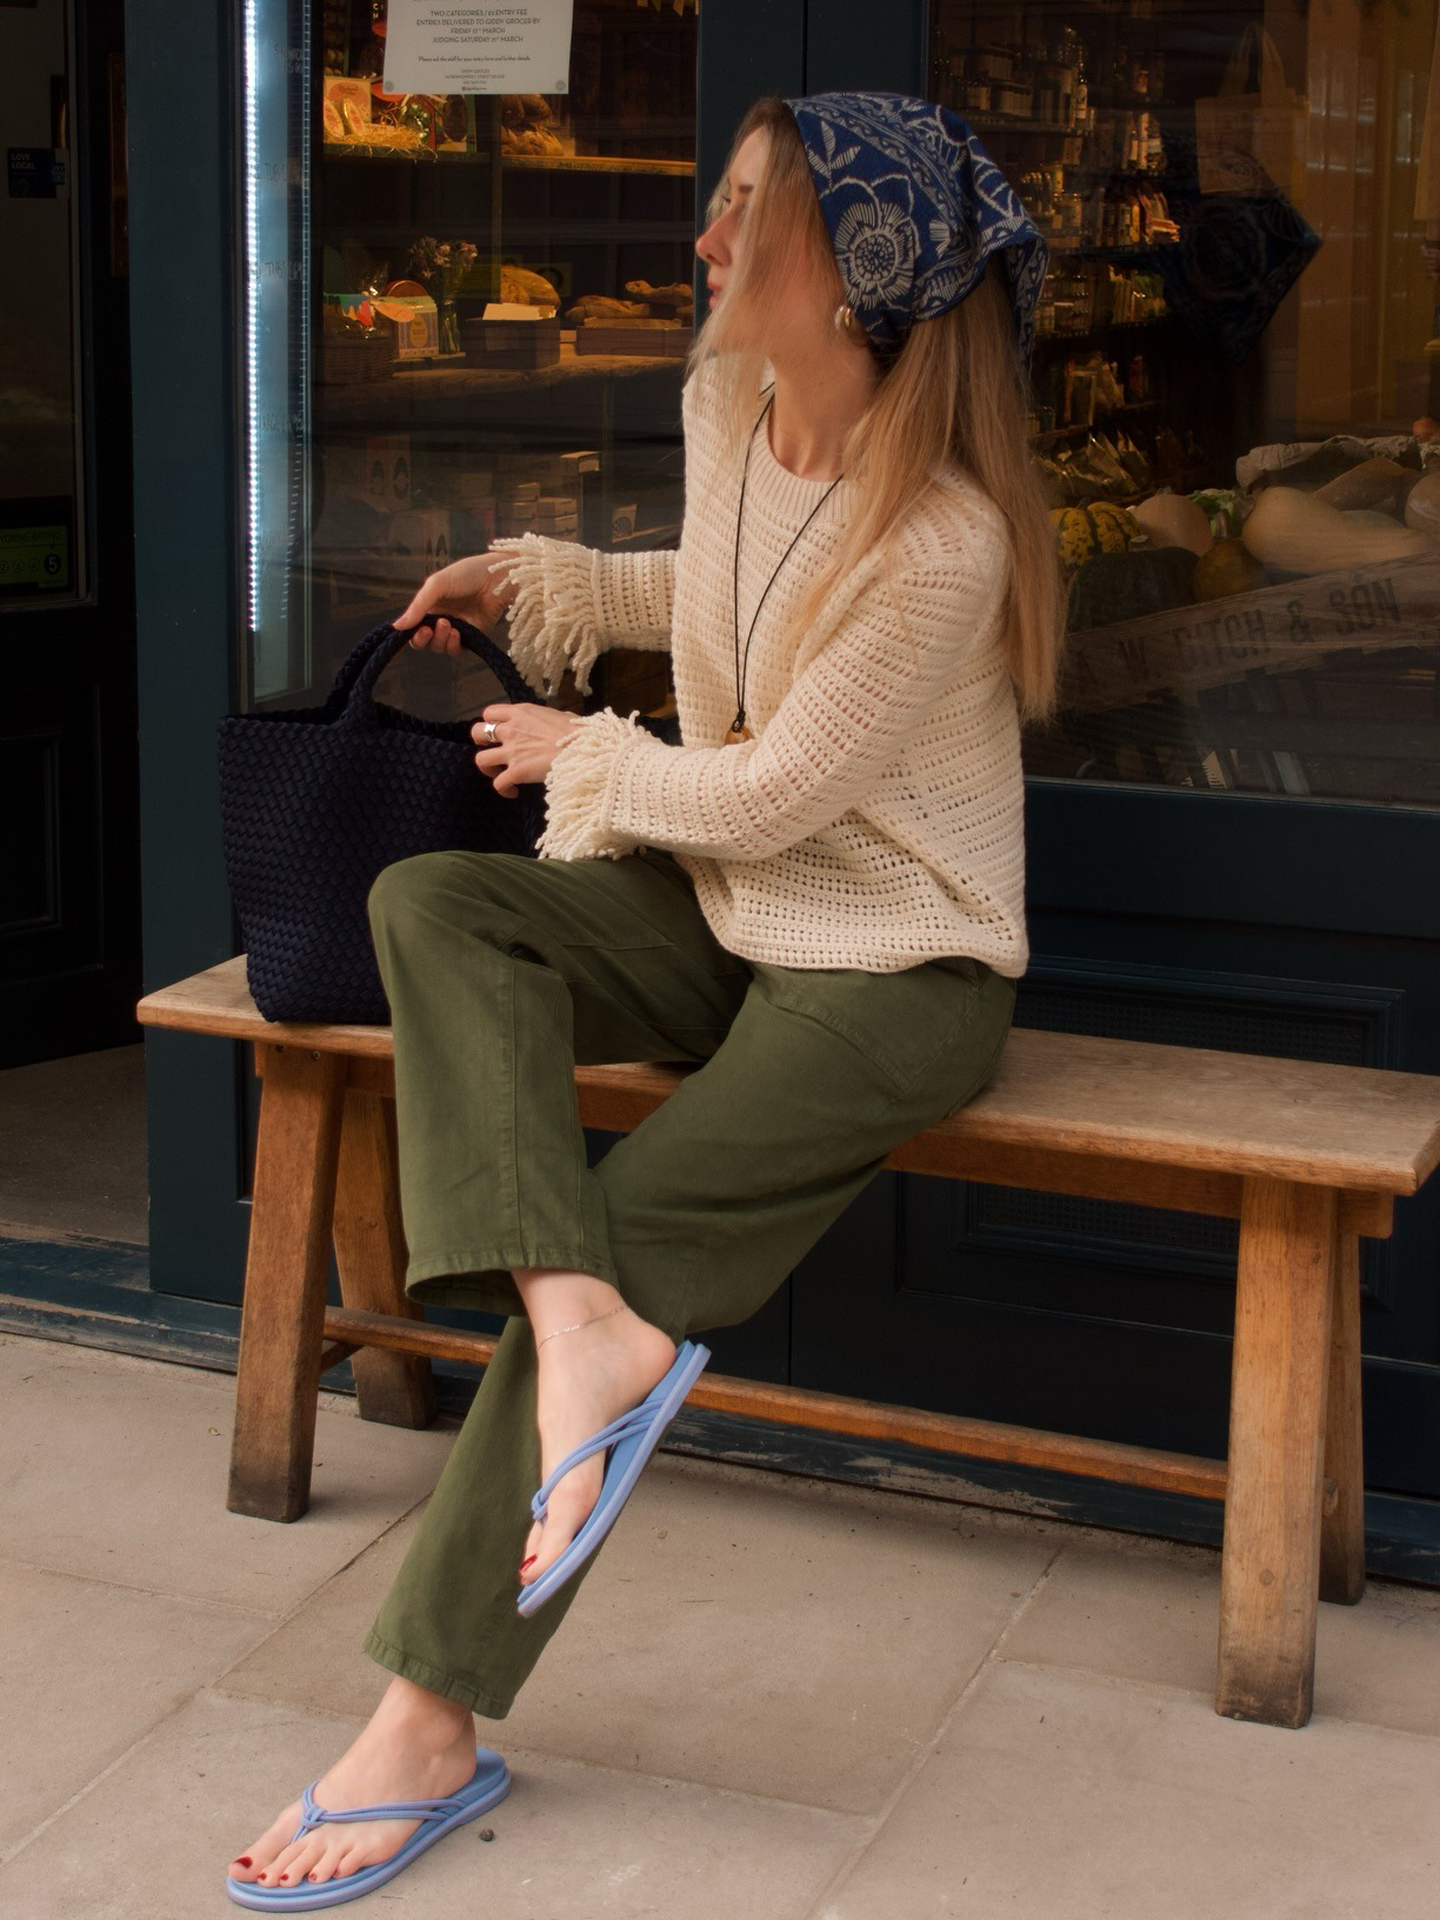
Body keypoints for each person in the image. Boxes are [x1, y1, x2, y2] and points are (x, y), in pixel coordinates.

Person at [227, 90, 1064, 1909]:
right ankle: (573, 1303)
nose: (702, 240)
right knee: (439, 906)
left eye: (743, 210)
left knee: (626, 1253)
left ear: (845, 276)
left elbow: (779, 788)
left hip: (896, 967)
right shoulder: (731, 408)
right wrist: (545, 586)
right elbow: (721, 602)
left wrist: (579, 743)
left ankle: (426, 1721)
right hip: (737, 910)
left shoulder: (949, 543)